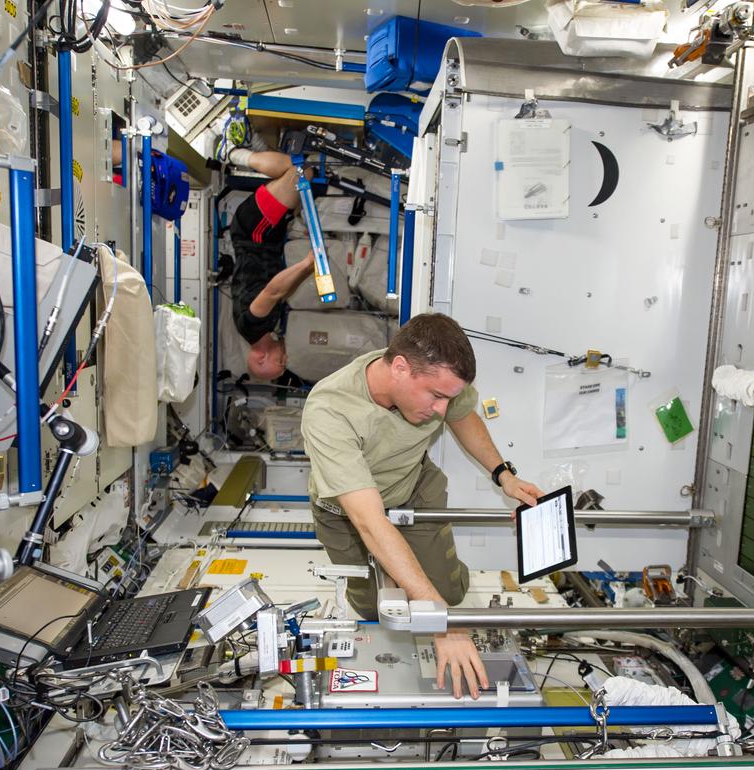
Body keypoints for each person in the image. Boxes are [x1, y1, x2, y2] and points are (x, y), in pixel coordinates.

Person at [300, 314, 544, 699]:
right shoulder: (330, 410)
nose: (442, 410)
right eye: (436, 396)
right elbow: (369, 521)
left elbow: (464, 417)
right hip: (347, 515)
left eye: (448, 397)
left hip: (414, 487)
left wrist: (504, 475)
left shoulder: (435, 372)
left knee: (446, 591)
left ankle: (427, 585)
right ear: (399, 368)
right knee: (378, 612)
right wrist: (441, 624)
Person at [224, 147, 316, 381]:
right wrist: (305, 273)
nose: (285, 359)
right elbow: (283, 292)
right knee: (303, 173)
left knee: (301, 172)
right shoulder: (266, 327)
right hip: (265, 235)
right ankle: (240, 155)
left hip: (254, 233)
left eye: (280, 364)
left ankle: (235, 154)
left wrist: (305, 265)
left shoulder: (250, 327)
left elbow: (272, 290)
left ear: (260, 358)